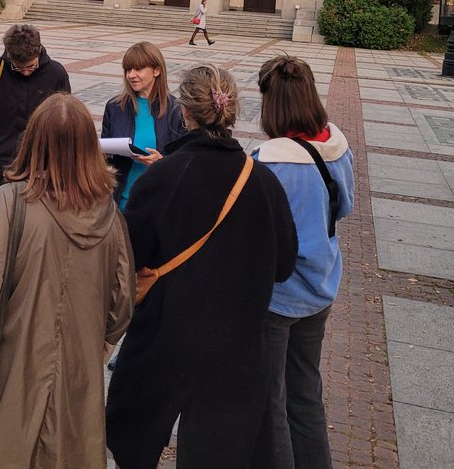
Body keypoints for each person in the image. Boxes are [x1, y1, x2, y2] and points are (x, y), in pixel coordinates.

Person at [106, 65, 298, 469]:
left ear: (186, 114)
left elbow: (126, 260)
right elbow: (282, 267)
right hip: (237, 345)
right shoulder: (262, 179)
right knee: (219, 453)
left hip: (165, 337)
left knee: (134, 443)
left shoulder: (163, 177)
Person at [0, 93, 134, 467]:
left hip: (8, 359)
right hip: (79, 366)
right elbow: (122, 301)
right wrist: (96, 344)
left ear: (32, 139)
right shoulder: (110, 216)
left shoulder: (8, 201)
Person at [253, 56, 355, 469]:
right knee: (305, 391)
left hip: (278, 297)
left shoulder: (270, 160)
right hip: (322, 284)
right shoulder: (336, 143)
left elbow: (258, 233)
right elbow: (343, 207)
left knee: (270, 399)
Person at [0, 24, 70, 196]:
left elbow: (66, 117)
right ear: (9, 55)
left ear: (38, 51)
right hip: (1, 165)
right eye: (18, 68)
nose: (25, 73)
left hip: (42, 166)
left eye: (30, 67)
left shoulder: (56, 73)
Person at [101, 42, 185, 209]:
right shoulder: (115, 106)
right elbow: (103, 154)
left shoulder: (176, 109)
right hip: (120, 202)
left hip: (158, 204)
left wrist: (162, 162)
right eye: (128, 69)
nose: (131, 75)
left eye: (138, 69)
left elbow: (184, 161)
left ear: (156, 70)